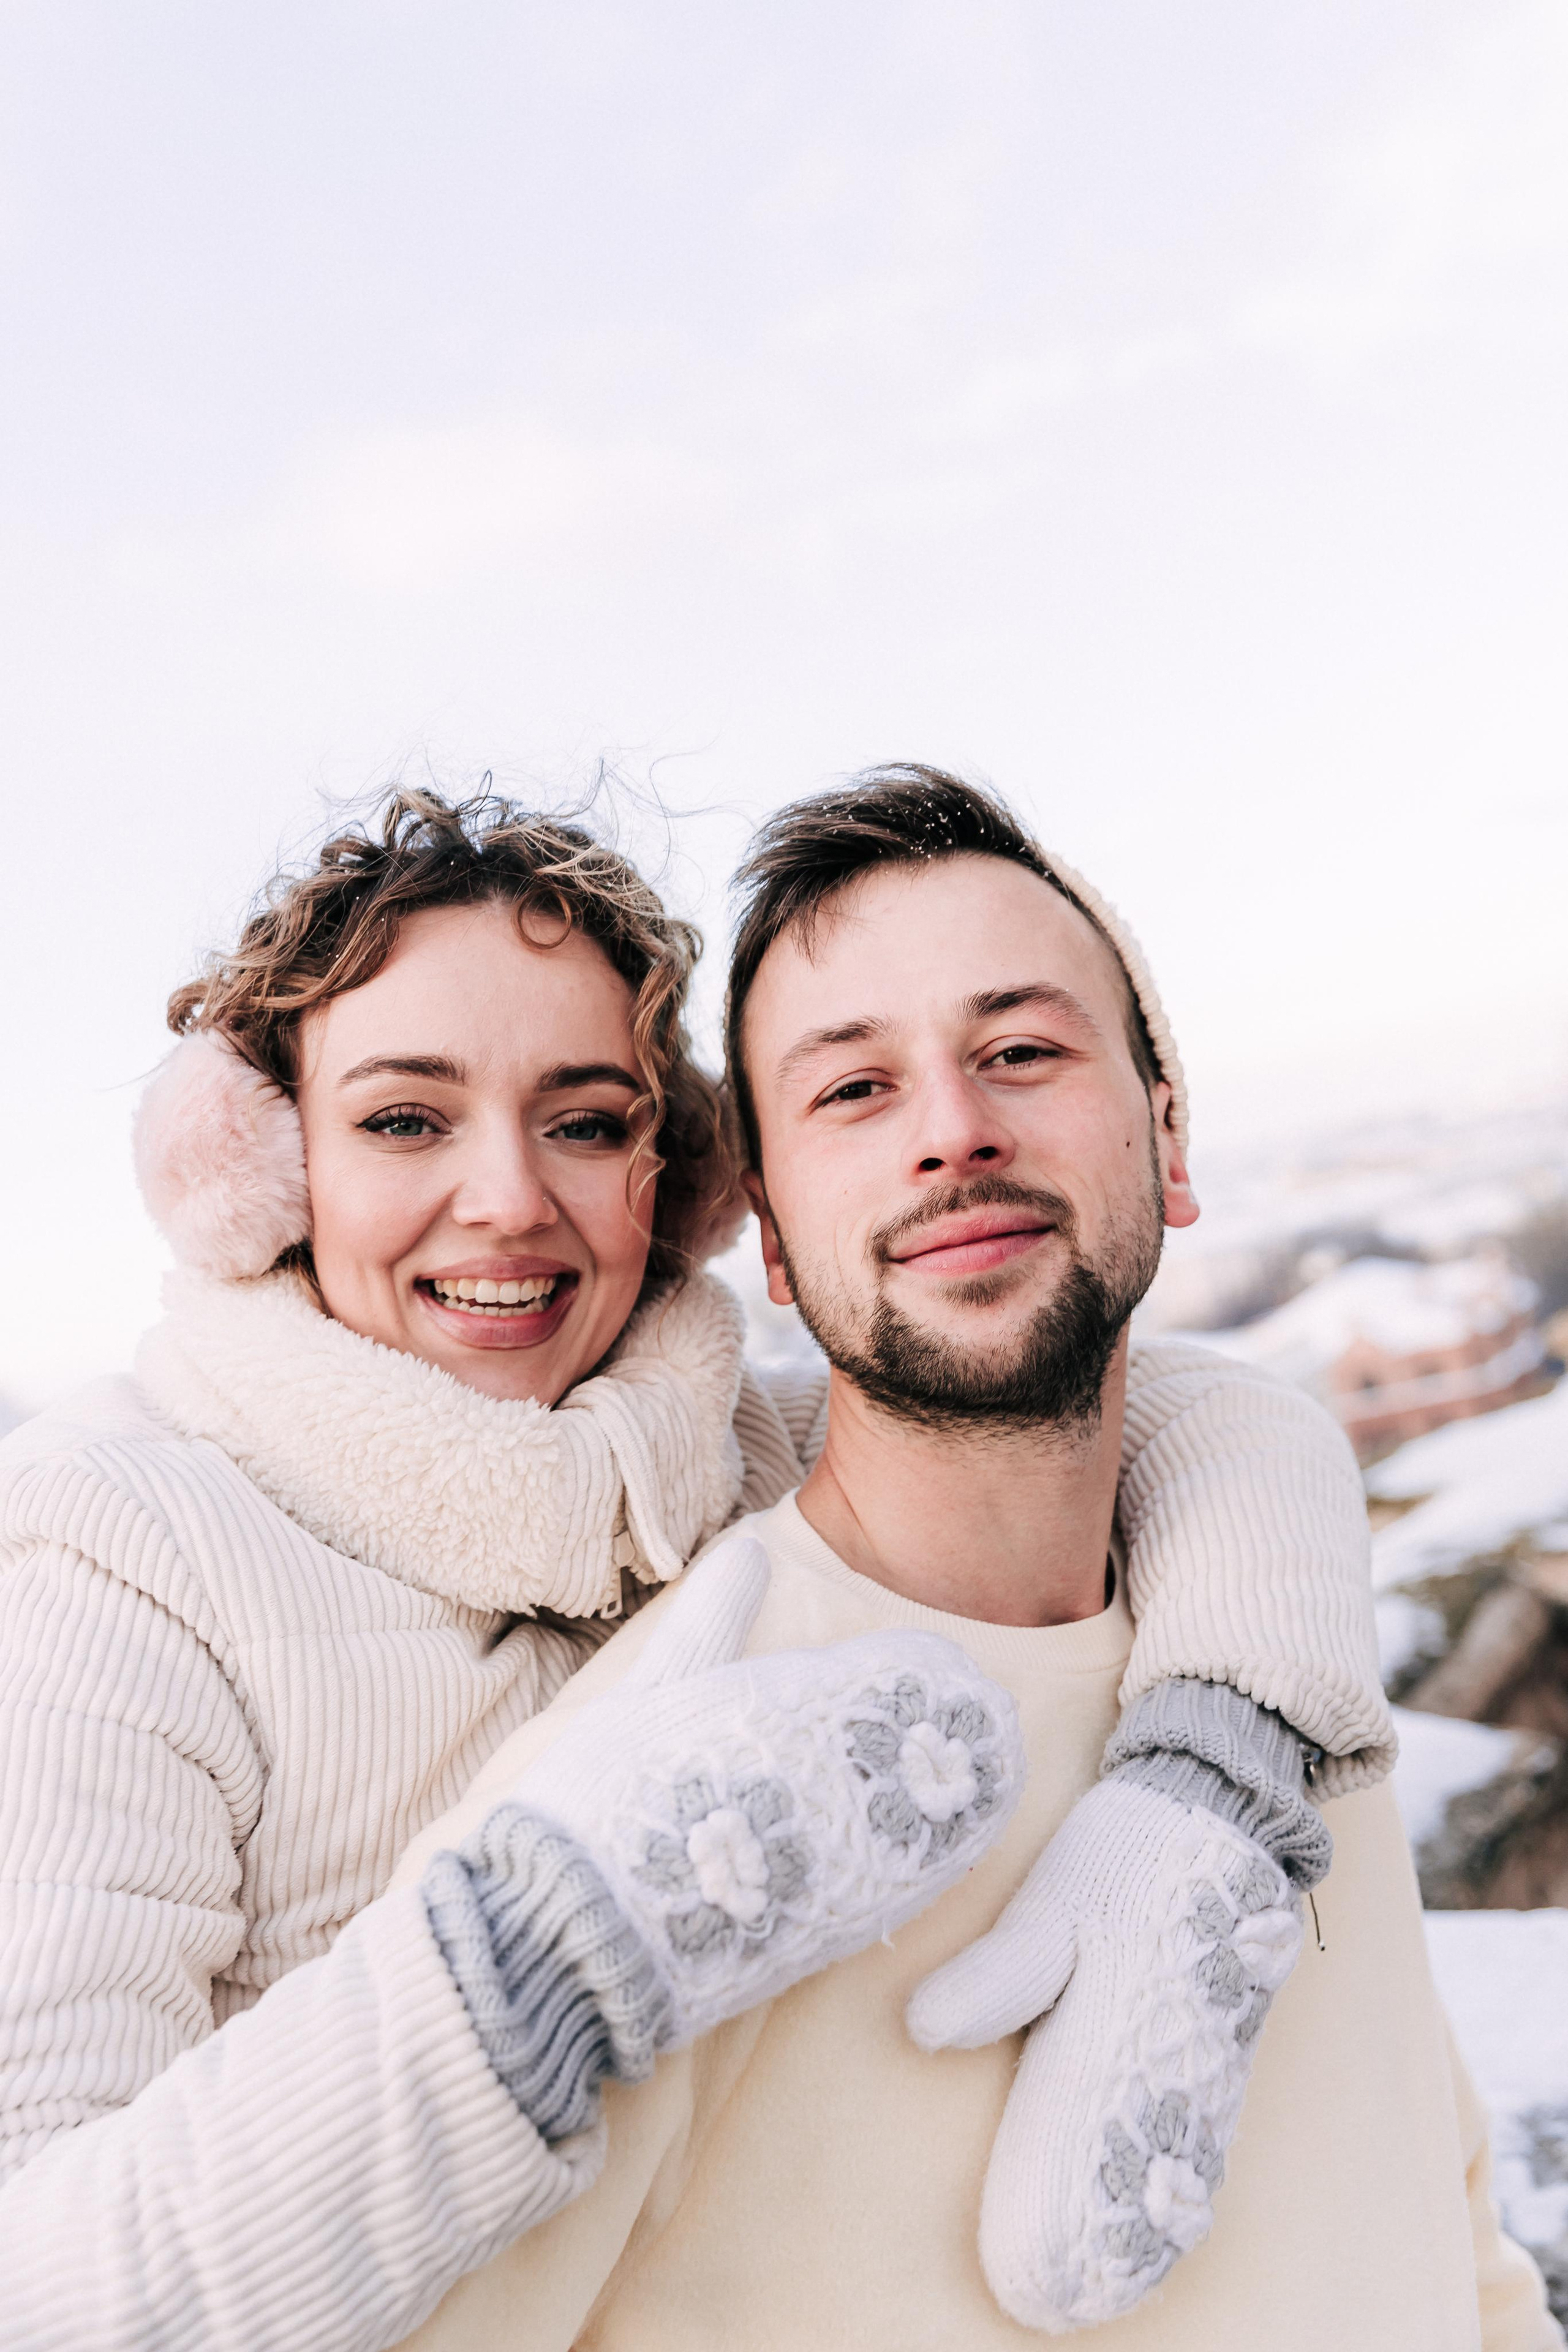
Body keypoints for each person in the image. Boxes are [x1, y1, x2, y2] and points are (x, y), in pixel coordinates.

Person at [0, 785, 1394, 2352]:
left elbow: (1181, 1418)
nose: (509, 1199)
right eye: (404, 1120)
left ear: (680, 1181)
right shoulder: (119, 1547)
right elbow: (37, 2292)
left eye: (587, 1122)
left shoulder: (715, 1451)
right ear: (258, 1171)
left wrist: (1210, 1782)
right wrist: (540, 1959)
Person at [383, 768, 1559, 2351]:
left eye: (1020, 1052)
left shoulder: (1268, 1684)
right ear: (773, 1239)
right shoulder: (661, 1797)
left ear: (1167, 1134)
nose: (953, 1131)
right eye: (853, 1090)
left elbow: (1446, 2232)